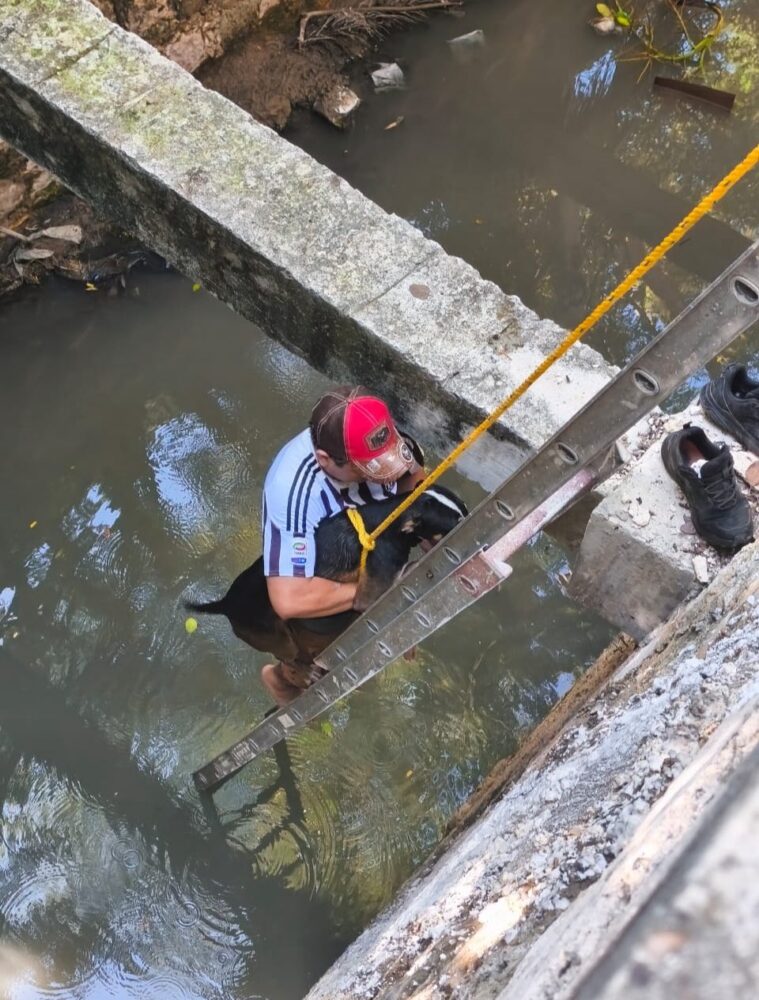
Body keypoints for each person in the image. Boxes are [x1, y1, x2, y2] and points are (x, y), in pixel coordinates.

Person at [260, 385, 425, 705]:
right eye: (368, 470)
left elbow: (413, 478)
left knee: (365, 661)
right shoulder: (292, 489)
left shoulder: (380, 437)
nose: (383, 477)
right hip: (318, 574)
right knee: (318, 657)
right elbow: (290, 599)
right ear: (326, 460)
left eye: (385, 464)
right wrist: (384, 589)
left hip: (368, 547)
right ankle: (282, 680)